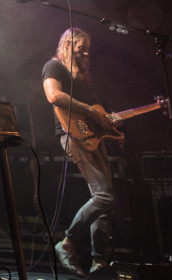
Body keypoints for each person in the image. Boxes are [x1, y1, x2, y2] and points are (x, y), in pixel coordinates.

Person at [42, 28, 116, 277]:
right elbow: (53, 95)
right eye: (80, 47)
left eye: (87, 48)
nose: (85, 52)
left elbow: (95, 111)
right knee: (105, 196)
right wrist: (91, 111)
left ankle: (99, 263)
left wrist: (110, 121)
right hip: (72, 135)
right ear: (67, 44)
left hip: (93, 136)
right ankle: (67, 243)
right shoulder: (53, 67)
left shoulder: (82, 76)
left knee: (103, 200)